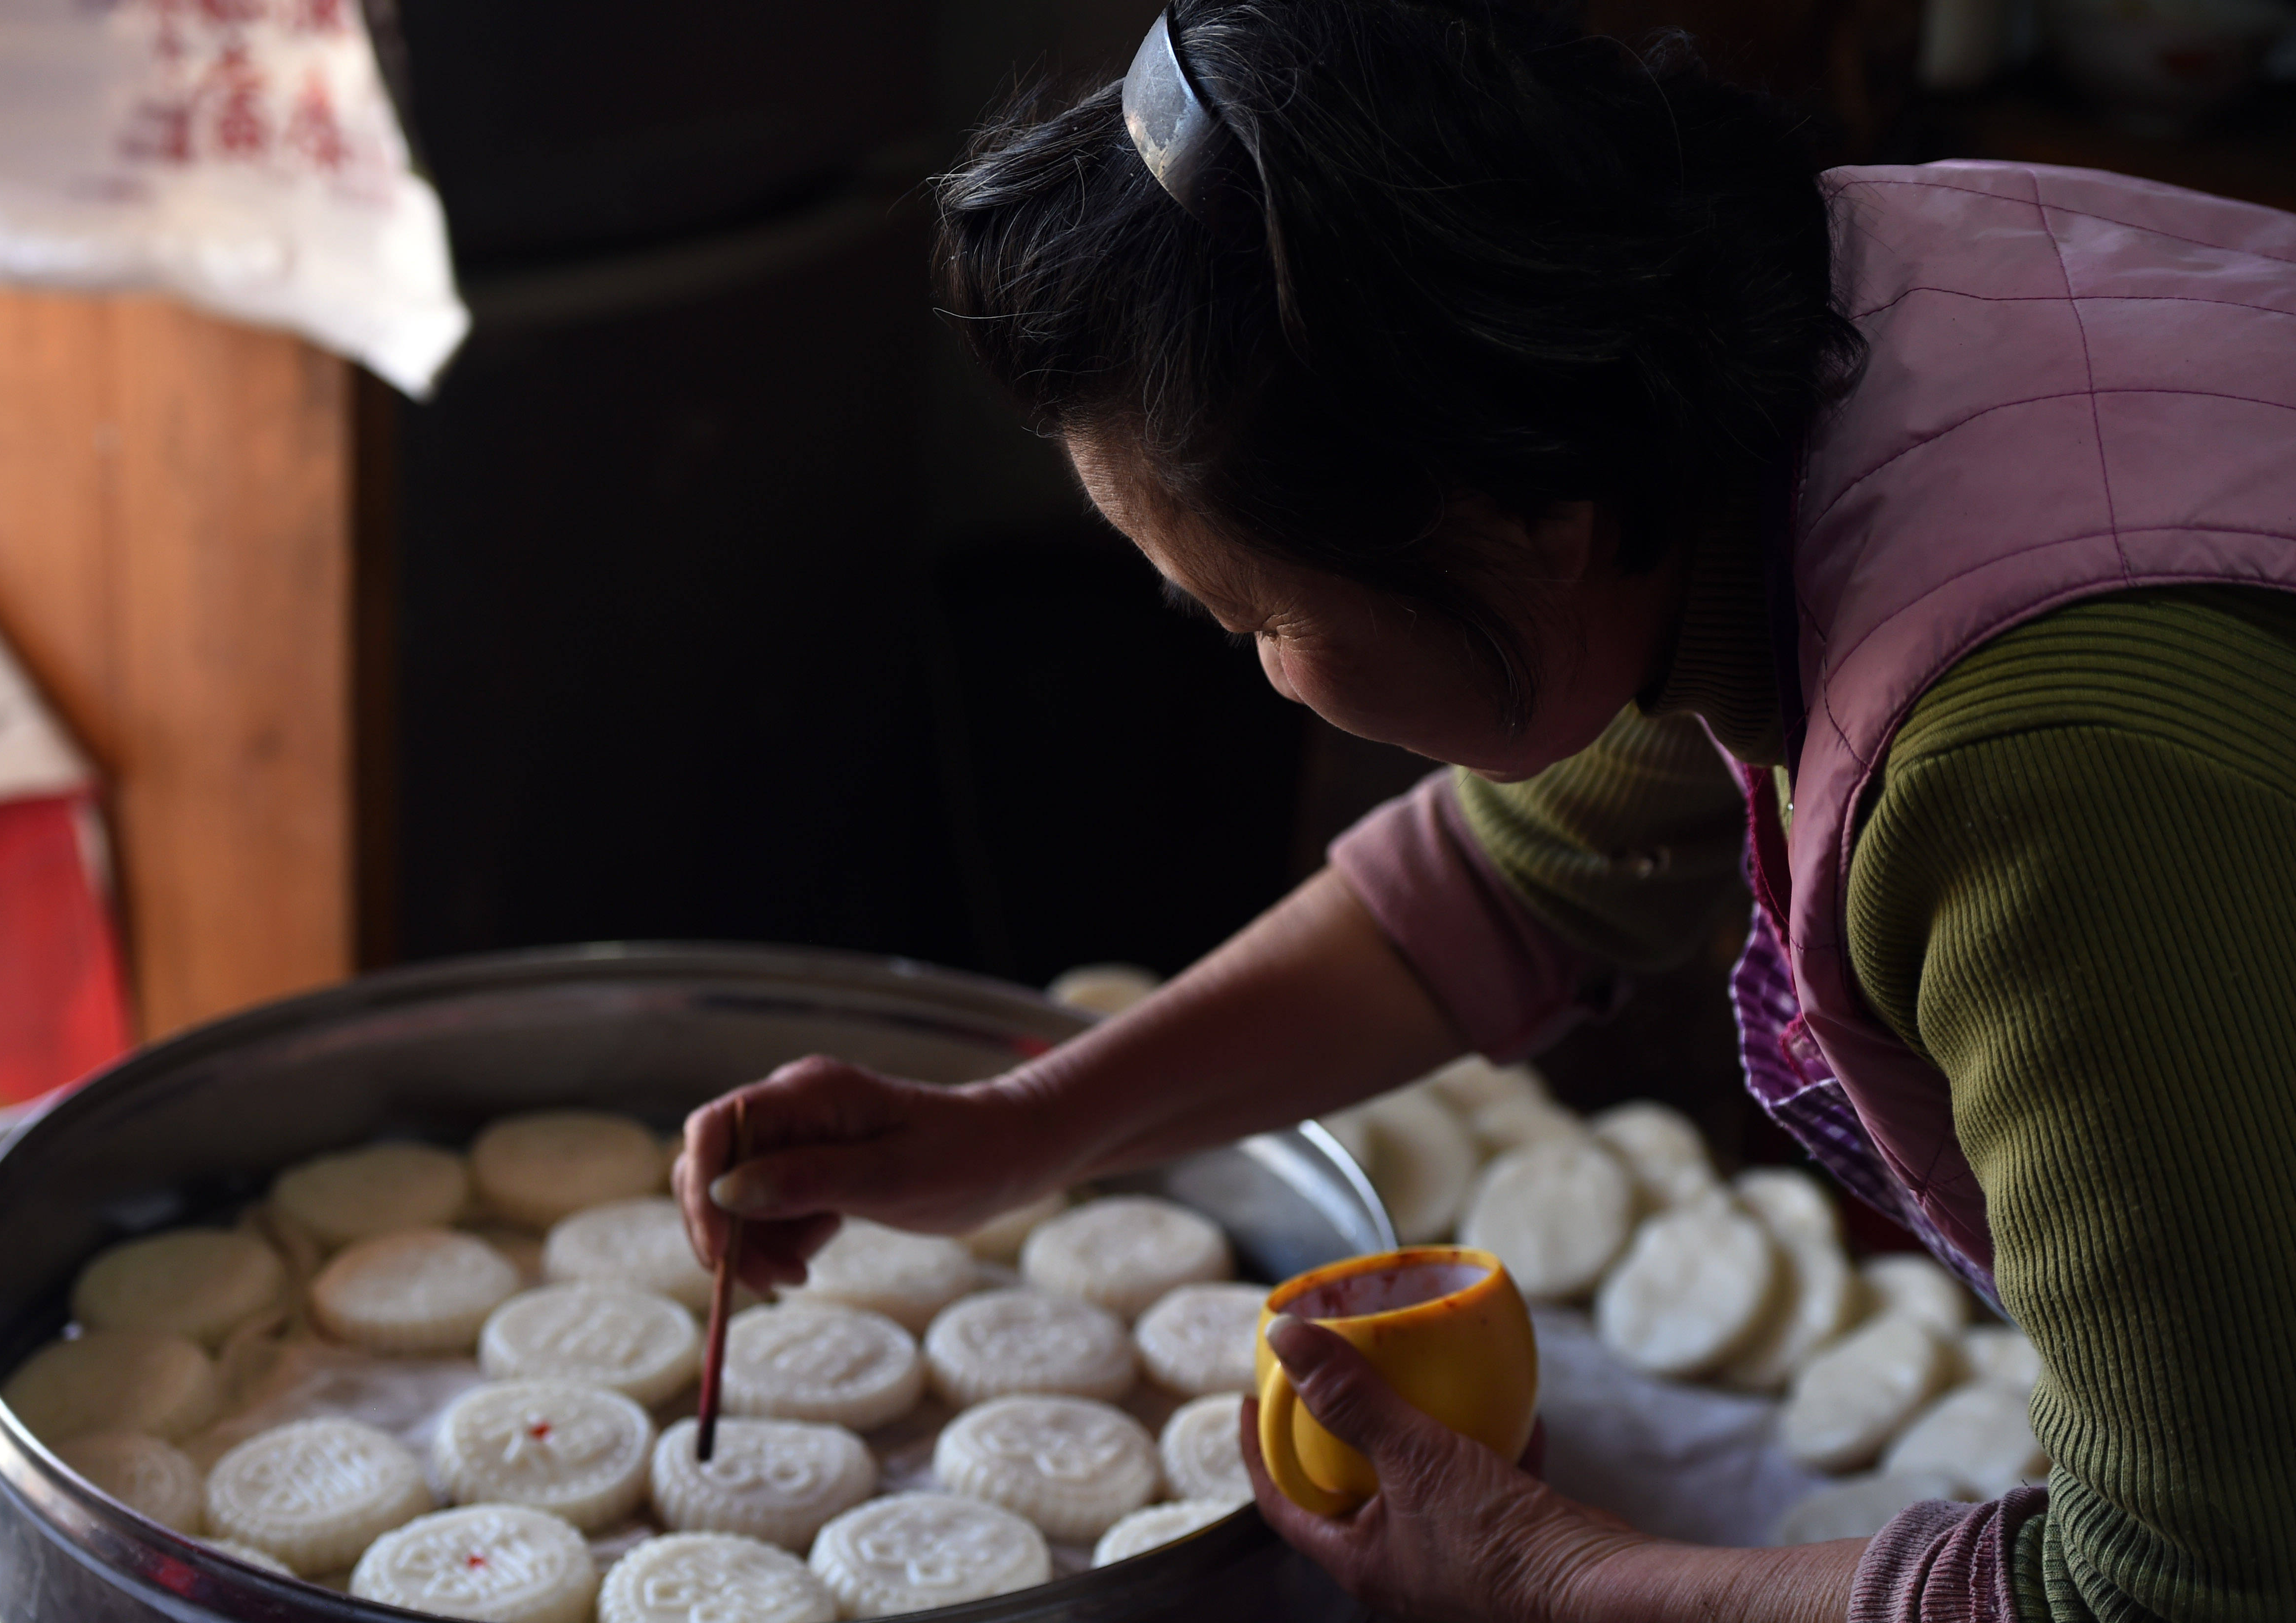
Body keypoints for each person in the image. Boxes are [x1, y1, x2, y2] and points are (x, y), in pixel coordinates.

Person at [676, 2, 2296, 1618]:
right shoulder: (1778, 343)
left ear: (1534, 524)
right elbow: (1514, 883)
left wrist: (1548, 1571)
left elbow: (2185, 1581)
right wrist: (1020, 1132)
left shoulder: (2039, 778)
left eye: (1253, 619)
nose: (1265, 676)